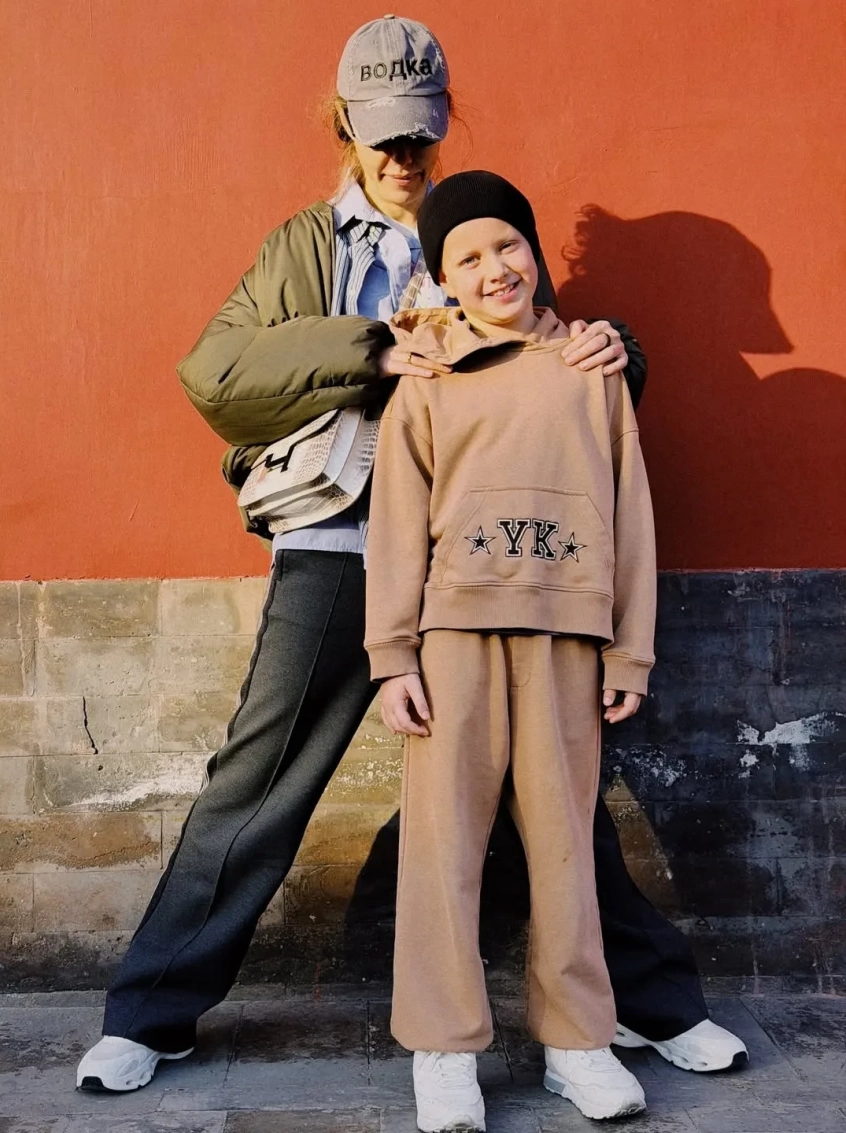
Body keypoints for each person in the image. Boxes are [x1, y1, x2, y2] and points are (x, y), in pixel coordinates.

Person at [76, 14, 745, 1096]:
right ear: (342, 125)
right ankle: (149, 1013)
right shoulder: (306, 246)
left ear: (442, 124)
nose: (400, 155)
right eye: (380, 134)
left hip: (484, 562)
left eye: (418, 133)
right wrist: (376, 347)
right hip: (344, 539)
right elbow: (216, 372)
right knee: (260, 779)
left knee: (559, 797)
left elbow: (564, 388)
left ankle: (646, 1006)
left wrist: (616, 343)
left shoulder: (477, 232)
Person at [365, 170, 656, 1129]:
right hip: (453, 638)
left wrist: (631, 650)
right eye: (468, 257)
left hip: (568, 636)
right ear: (443, 278)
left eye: (508, 245)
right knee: (442, 844)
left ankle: (577, 1041)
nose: (495, 268)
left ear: (534, 252)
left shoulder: (591, 368)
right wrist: (393, 655)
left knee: (565, 845)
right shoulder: (429, 377)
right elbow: (396, 521)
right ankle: (445, 1047)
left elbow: (631, 512)